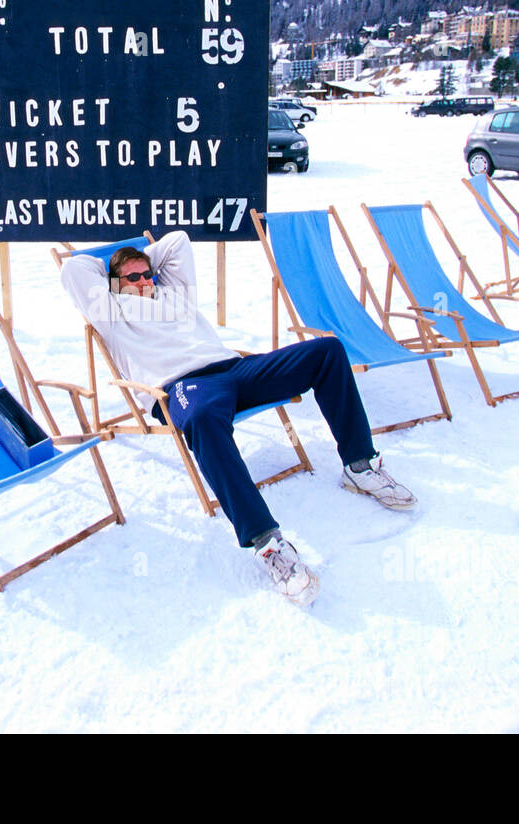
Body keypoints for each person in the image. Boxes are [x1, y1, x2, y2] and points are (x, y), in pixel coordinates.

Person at [60, 231, 416, 606]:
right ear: (114, 284)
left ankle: (359, 465)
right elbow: (74, 268)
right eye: (134, 278)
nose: (145, 281)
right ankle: (267, 542)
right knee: (201, 420)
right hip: (184, 386)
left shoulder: (174, 294)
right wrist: (115, 269)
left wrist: (141, 261)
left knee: (326, 351)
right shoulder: (110, 311)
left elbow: (178, 241)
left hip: (234, 369)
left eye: (148, 274)